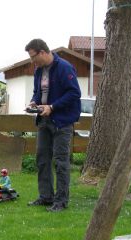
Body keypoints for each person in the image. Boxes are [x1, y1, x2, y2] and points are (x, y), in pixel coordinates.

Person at [25, 39, 81, 212]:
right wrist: (34, 102)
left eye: (33, 57)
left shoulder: (64, 67)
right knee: (42, 160)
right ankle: (46, 197)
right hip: (43, 121)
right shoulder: (38, 71)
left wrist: (53, 107)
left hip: (62, 122)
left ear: (42, 52)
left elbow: (74, 93)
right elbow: (37, 92)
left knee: (60, 162)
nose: (32, 61)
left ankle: (61, 201)